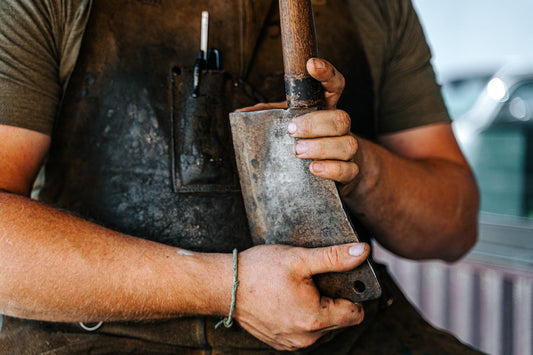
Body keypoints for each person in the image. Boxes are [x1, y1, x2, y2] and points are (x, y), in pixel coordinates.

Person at [0, 0, 481, 353]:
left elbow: (452, 229)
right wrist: (227, 286)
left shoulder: (377, 9)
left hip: (349, 335)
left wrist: (360, 168)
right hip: (102, 338)